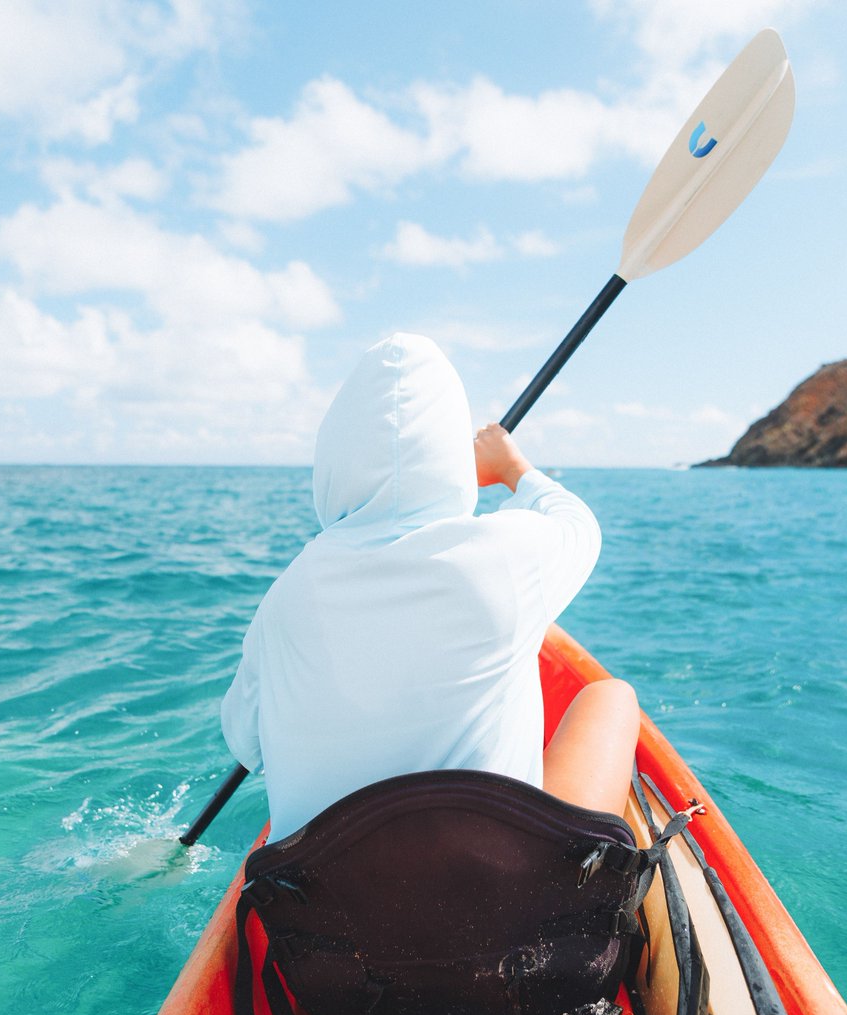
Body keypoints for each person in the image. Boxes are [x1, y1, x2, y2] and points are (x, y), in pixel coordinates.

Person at [221, 332, 639, 842]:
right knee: (613, 697)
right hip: (492, 883)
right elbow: (578, 524)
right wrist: (511, 467)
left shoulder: (286, 596)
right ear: (451, 459)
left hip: (314, 889)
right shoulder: (507, 557)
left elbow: (244, 741)